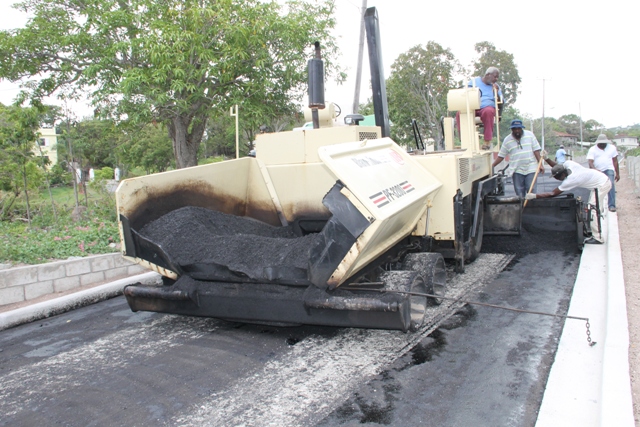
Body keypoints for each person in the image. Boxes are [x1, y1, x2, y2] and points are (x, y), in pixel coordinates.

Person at [526, 159, 611, 244]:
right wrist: (546, 158)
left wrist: (535, 196)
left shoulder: (571, 179)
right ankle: (594, 231)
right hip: (599, 180)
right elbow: (557, 166)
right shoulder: (568, 164)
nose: (557, 180)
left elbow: (553, 194)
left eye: (558, 177)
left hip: (602, 185)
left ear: (563, 174)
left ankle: (598, 238)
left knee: (593, 209)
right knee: (592, 207)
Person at [491, 119, 543, 197]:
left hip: (531, 167)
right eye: (515, 129)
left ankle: (531, 207)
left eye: (519, 128)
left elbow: (536, 150)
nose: (517, 130)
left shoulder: (530, 135)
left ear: (522, 128)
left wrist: (540, 164)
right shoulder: (507, 140)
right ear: (512, 129)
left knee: (531, 191)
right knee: (519, 192)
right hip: (516, 169)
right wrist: (492, 166)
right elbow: (501, 156)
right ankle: (521, 207)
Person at [456, 67, 503, 147]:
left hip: (487, 107)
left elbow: (500, 102)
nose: (496, 79)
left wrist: (496, 91)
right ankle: (463, 138)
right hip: (473, 107)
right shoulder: (474, 82)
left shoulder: (496, 87)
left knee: (488, 111)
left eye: (497, 77)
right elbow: (465, 93)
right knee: (460, 113)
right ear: (488, 75)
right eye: (495, 76)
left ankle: (487, 141)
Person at [587, 134, 619, 212]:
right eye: (600, 143)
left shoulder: (612, 148)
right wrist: (594, 169)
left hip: (609, 169)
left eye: (603, 143)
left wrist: (617, 173)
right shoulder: (592, 149)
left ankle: (611, 205)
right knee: (598, 188)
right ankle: (597, 206)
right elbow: (590, 162)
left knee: (610, 185)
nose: (602, 144)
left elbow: (615, 161)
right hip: (598, 170)